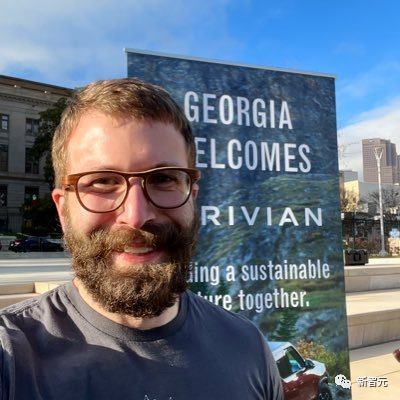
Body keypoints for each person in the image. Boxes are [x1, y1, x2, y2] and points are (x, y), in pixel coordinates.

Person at [0, 78, 283, 399]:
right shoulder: (11, 357)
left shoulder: (248, 347)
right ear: (63, 210)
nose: (136, 216)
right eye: (102, 181)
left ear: (192, 198)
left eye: (163, 178)